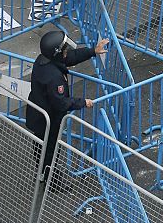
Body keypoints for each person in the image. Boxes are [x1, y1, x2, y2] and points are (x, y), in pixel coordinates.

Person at [28, 31, 108, 175]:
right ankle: (50, 180)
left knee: (40, 147)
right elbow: (61, 103)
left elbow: (69, 57)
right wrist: (83, 102)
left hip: (38, 116)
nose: (67, 52)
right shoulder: (54, 78)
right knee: (49, 152)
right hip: (49, 120)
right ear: (57, 53)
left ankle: (43, 173)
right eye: (64, 49)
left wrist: (92, 51)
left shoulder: (43, 60)